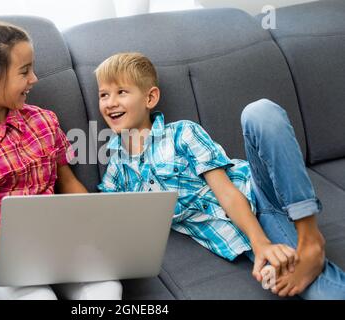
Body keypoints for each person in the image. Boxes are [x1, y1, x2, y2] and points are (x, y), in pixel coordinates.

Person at [96, 52, 345, 299]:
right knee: (322, 293)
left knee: (259, 112)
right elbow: (101, 213)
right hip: (246, 233)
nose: (110, 102)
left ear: (150, 98)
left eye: (122, 92)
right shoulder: (117, 166)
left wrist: (261, 244)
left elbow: (226, 192)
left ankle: (310, 237)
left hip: (260, 192)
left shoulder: (182, 133)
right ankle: (304, 253)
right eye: (104, 94)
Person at [0, 21, 122, 300]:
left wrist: (90, 219)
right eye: (24, 71)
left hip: (55, 238)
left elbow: (66, 179)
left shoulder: (44, 120)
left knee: (107, 287)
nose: (34, 78)